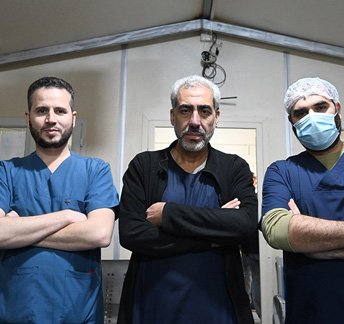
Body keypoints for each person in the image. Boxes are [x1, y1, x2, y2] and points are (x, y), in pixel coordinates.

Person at [117, 75, 258, 324]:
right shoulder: (144, 166)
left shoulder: (233, 168)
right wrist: (215, 235)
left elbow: (245, 225)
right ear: (173, 116)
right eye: (185, 111)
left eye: (204, 111)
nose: (195, 121)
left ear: (216, 117)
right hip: (152, 308)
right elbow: (131, 234)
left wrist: (168, 214)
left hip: (219, 310)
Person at [0, 76, 119, 323]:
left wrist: (20, 232)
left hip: (79, 312)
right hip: (16, 312)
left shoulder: (95, 171)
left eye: (60, 111)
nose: (51, 119)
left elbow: (99, 234)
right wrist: (66, 217)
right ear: (28, 117)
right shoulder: (6, 172)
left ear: (73, 118)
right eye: (41, 110)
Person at [261, 77, 344, 323]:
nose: (311, 117)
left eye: (320, 107)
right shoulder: (281, 171)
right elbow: (277, 230)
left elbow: (293, 232)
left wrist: (313, 245)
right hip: (312, 309)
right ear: (292, 122)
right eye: (300, 112)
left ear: (338, 110)